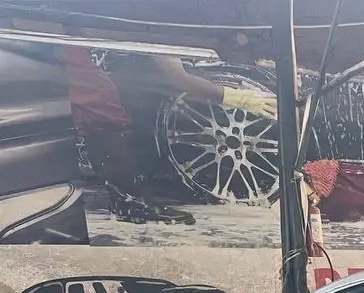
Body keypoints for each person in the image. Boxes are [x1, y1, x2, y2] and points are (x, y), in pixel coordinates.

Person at [61, 46, 277, 224]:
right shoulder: (149, 15)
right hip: (51, 38)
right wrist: (235, 97)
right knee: (98, 98)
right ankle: (130, 201)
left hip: (65, 34)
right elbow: (176, 78)